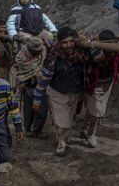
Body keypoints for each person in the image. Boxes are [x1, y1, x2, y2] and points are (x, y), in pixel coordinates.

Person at [33, 27, 87, 156]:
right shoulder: (54, 56)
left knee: (68, 119)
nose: (68, 45)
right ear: (59, 43)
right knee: (64, 122)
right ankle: (61, 144)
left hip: (74, 92)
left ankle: (61, 137)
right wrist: (37, 100)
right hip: (57, 92)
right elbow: (43, 80)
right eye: (64, 42)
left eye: (71, 41)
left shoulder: (82, 52)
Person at [82, 30, 119, 146]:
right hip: (93, 83)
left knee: (95, 108)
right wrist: (108, 53)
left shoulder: (117, 48)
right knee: (97, 110)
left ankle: (85, 127)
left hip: (107, 83)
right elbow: (96, 59)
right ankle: (91, 134)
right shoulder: (93, 48)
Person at [14, 37, 48, 139]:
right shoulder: (21, 57)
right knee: (29, 109)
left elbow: (43, 64)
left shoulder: (43, 50)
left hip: (40, 84)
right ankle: (29, 130)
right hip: (26, 84)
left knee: (41, 108)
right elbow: (22, 71)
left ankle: (36, 129)